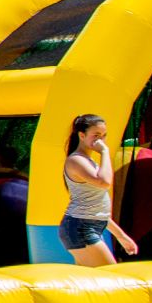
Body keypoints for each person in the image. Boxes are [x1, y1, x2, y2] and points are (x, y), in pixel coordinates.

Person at [62, 113, 138, 266]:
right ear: (82, 135)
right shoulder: (76, 160)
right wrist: (104, 152)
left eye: (104, 136)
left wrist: (121, 236)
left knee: (90, 281)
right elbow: (104, 182)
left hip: (87, 226)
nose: (101, 141)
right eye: (96, 135)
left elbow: (96, 208)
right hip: (80, 227)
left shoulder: (89, 162)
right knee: (110, 277)